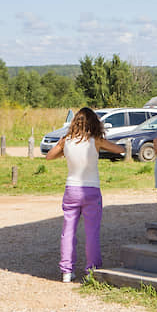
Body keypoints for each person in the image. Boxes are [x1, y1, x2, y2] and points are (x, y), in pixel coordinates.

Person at [46, 107, 125, 282]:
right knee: (92, 232)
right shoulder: (95, 140)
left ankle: (67, 271)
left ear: (75, 122)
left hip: (71, 189)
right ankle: (92, 270)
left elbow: (49, 156)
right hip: (91, 190)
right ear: (93, 123)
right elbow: (119, 149)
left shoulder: (66, 140)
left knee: (68, 231)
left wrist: (61, 146)